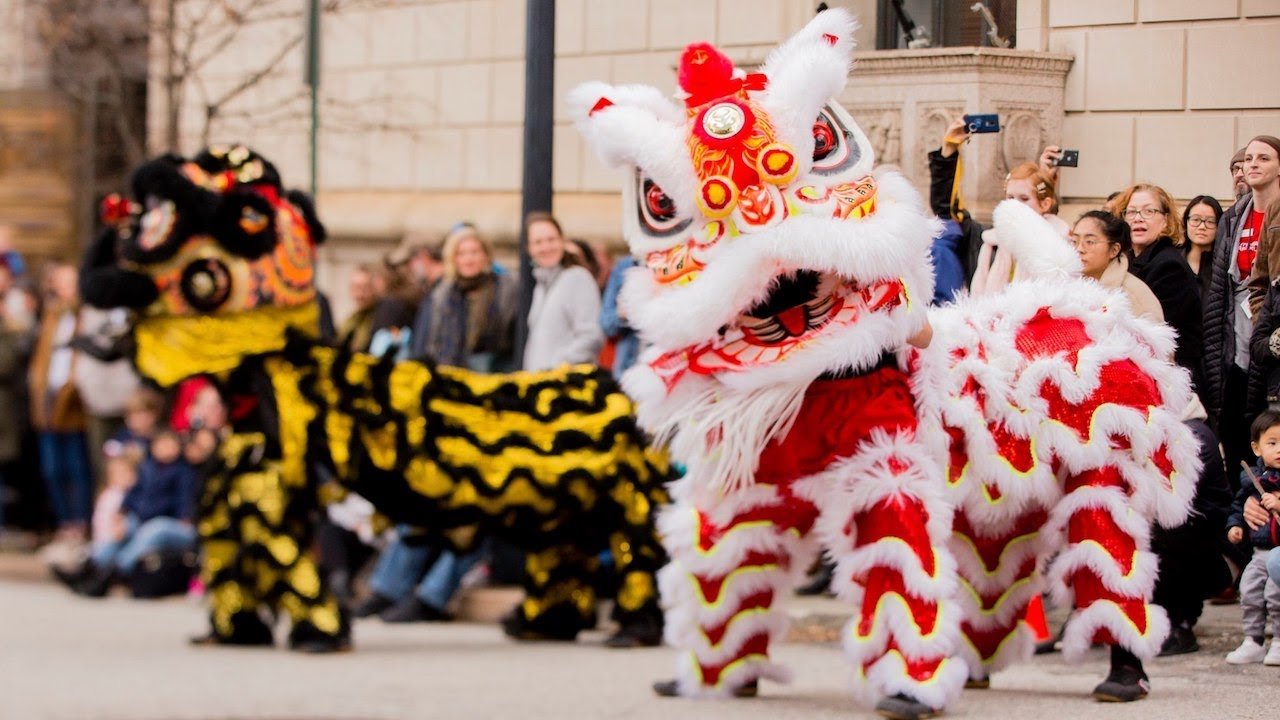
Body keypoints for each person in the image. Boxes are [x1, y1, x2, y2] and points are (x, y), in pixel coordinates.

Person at [1204, 136, 1280, 488]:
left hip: (1270, 330)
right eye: (1248, 159)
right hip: (1236, 334)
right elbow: (1223, 285)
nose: (1252, 165)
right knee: (1236, 430)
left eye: (1263, 158)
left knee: (1270, 429)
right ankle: (1242, 506)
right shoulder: (1233, 216)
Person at [55, 428, 199, 596]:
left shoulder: (184, 472)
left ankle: (115, 571)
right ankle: (90, 567)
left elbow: (186, 500)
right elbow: (131, 497)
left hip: (172, 523)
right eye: (162, 444)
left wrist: (185, 516)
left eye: (170, 444)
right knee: (127, 525)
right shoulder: (147, 468)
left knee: (154, 529)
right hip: (144, 520)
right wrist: (122, 515)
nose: (166, 449)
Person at [1114, 183, 1204, 395]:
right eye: (1131, 212)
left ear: (1165, 220)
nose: (1138, 218)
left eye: (1148, 211)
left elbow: (1153, 331)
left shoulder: (1168, 266)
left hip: (1172, 381)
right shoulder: (1129, 260)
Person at [29, 264, 93, 551]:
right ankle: (65, 523)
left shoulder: (85, 315)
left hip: (73, 401)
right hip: (48, 398)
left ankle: (81, 523)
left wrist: (71, 389)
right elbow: (42, 357)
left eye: (71, 282)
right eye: (62, 282)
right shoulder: (52, 315)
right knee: (52, 470)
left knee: (76, 467)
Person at [410, 224, 518, 372]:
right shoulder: (442, 294)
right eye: (461, 253)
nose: (468, 259)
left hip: (494, 374)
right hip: (448, 374)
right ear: (453, 258)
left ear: (486, 255)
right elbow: (429, 343)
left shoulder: (505, 289)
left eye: (474, 252)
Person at [1223, 409, 1280, 665]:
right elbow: (1237, 508)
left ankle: (1278, 641)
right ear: (1256, 448)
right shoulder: (1252, 480)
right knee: (1249, 591)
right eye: (1272, 443)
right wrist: (1235, 527)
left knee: (1275, 596)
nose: (1279, 450)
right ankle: (1253, 640)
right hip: (1259, 553)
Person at [970, 162, 1070, 296]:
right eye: (1010, 197)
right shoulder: (992, 243)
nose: (1014, 205)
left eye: (1024, 199)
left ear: (1045, 204)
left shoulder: (1057, 243)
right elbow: (978, 292)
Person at [522, 212, 604, 371]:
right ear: (529, 248)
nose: (546, 247)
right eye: (538, 242)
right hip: (539, 381)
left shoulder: (577, 278)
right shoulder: (541, 285)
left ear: (562, 241)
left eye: (551, 239)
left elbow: (592, 336)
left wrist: (557, 366)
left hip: (566, 381)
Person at [1070, 211, 1162, 321]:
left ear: (1114, 250)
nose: (1079, 249)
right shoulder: (1064, 282)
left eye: (1090, 242)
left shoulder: (1134, 294)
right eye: (1074, 241)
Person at [600, 255, 641, 378]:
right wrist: (622, 314)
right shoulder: (625, 266)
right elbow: (606, 323)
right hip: (628, 368)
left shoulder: (677, 263)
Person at [1182, 195, 1224, 296]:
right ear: (1186, 222)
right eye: (1196, 220)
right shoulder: (1173, 260)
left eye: (1210, 221)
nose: (1202, 227)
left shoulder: (1223, 266)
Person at [338, 263, 380, 353]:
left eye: (365, 288)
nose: (360, 294)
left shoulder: (380, 317)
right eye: (356, 288)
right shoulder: (349, 320)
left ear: (375, 288)